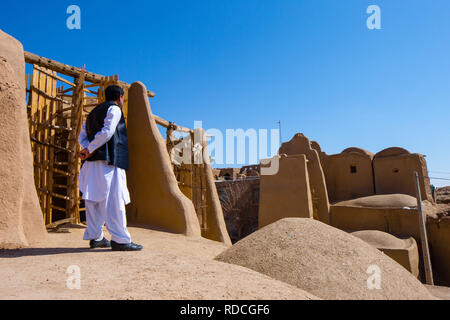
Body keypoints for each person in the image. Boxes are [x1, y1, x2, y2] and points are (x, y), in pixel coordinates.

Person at [78, 85, 143, 251]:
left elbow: (82, 136)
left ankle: (96, 237)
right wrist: (91, 149)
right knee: (114, 200)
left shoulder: (92, 113)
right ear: (120, 97)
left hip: (91, 164)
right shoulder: (114, 109)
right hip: (109, 163)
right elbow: (108, 132)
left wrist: (88, 149)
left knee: (93, 200)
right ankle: (120, 240)